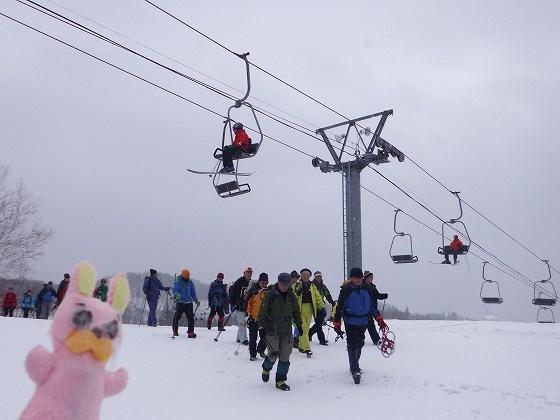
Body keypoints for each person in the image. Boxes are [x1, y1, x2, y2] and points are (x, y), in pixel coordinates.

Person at [333, 267, 389, 384]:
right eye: (355, 277)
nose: (358, 280)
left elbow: (371, 307)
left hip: (364, 322)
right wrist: (337, 323)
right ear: (351, 278)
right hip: (350, 322)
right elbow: (339, 307)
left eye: (359, 278)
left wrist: (379, 319)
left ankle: (354, 364)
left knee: (360, 344)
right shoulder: (346, 290)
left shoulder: (366, 289)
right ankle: (355, 370)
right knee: (352, 345)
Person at [258, 272, 303, 391]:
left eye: (287, 284)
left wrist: (299, 325)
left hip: (286, 330)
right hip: (272, 330)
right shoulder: (270, 295)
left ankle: (280, 380)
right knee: (273, 355)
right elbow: (262, 312)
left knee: (285, 356)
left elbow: (296, 312)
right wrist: (261, 327)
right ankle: (266, 368)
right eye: (283, 284)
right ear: (278, 282)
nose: (285, 287)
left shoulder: (291, 296)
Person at [292, 268, 325, 357]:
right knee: (303, 328)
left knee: (306, 328)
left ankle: (301, 345)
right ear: (301, 275)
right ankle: (307, 348)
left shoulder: (312, 286)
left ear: (310, 276)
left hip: (310, 308)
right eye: (304, 275)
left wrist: (321, 307)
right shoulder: (296, 285)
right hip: (299, 309)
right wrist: (297, 293)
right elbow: (291, 298)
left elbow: (317, 296)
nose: (305, 276)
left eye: (307, 275)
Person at [309, 271, 336, 346]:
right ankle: (322, 340)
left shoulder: (323, 286)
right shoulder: (311, 285)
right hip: (313, 306)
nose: (319, 278)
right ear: (315, 277)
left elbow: (328, 295)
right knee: (319, 323)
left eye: (320, 277)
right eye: (317, 277)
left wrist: (333, 303)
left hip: (321, 306)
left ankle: (309, 333)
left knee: (319, 323)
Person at [246, 273, 269, 361]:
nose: (264, 285)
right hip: (253, 318)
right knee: (253, 338)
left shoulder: (268, 292)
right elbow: (248, 303)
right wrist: (247, 314)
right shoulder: (253, 291)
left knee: (266, 336)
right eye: (262, 283)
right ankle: (252, 354)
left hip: (264, 319)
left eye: (265, 283)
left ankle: (260, 349)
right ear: (259, 282)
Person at [363, 270, 388, 345]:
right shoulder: (362, 287)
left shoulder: (372, 286)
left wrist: (383, 296)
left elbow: (377, 295)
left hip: (372, 308)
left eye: (372, 277)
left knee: (369, 325)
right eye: (370, 277)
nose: (371, 279)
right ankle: (375, 340)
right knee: (367, 325)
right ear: (366, 278)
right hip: (365, 309)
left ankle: (376, 340)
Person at [172, 269, 199, 338]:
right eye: (186, 277)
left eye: (188, 276)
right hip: (180, 302)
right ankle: (175, 331)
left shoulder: (190, 282)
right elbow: (175, 290)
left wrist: (195, 300)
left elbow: (193, 292)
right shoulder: (178, 282)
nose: (187, 278)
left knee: (190, 318)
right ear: (183, 276)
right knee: (177, 317)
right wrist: (176, 295)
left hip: (188, 302)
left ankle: (190, 333)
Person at [228, 267, 252, 345]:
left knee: (242, 322)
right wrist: (234, 303)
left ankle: (239, 337)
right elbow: (233, 294)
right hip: (239, 305)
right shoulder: (239, 282)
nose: (249, 274)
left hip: (246, 306)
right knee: (242, 322)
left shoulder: (250, 283)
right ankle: (244, 339)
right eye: (247, 272)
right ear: (244, 273)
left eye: (250, 272)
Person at [289, 270, 301, 348]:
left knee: (297, 324)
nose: (295, 279)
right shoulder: (286, 286)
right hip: (287, 309)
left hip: (296, 309)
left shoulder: (298, 286)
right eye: (293, 278)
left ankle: (296, 340)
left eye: (296, 278)